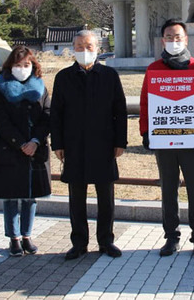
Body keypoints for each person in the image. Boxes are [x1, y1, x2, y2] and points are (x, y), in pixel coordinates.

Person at [139, 19, 194, 259]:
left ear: (186, 39)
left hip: (192, 141)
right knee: (168, 190)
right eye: (169, 37)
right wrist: (145, 132)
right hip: (165, 141)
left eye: (178, 37)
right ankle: (171, 237)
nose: (174, 41)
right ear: (163, 40)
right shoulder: (154, 70)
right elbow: (145, 104)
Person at [51, 30, 127, 260]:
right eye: (80, 47)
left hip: (104, 144)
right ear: (73, 49)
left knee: (106, 196)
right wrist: (58, 143)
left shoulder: (109, 75)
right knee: (76, 197)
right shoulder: (63, 77)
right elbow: (56, 113)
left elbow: (120, 111)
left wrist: (120, 142)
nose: (85, 51)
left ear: (98, 49)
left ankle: (106, 241)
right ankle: (79, 242)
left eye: (89, 47)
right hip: (73, 145)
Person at [0, 46, 51, 257]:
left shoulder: (41, 88)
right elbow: (0, 119)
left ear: (33, 66)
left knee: (30, 197)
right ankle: (13, 238)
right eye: (18, 65)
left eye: (26, 65)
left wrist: (35, 141)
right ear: (9, 66)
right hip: (10, 149)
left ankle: (27, 235)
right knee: (11, 197)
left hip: (35, 150)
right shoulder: (0, 90)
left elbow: (47, 116)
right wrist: (19, 143)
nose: (22, 69)